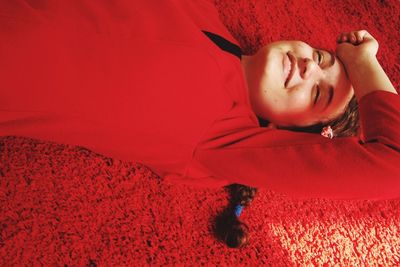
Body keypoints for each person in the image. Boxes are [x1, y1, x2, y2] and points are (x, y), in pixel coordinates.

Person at [0, 0, 399, 247]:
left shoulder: (227, 140)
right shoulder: (201, 12)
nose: (311, 65)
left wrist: (363, 62)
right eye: (323, 58)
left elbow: (393, 163)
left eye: (318, 94)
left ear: (289, 135)